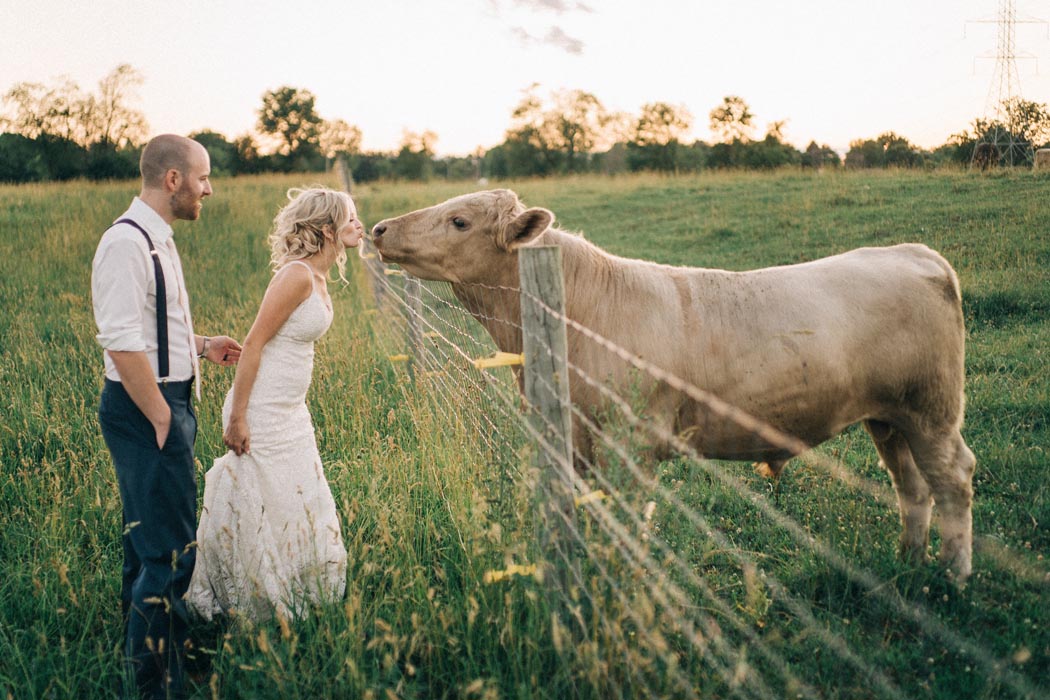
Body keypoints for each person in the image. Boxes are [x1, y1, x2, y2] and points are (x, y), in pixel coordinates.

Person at [92, 134, 242, 699]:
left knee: (145, 540)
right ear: (173, 180)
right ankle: (161, 684)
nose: (209, 188)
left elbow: (153, 326)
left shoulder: (159, 238)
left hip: (165, 399)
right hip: (146, 408)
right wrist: (161, 417)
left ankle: (141, 648)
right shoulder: (126, 243)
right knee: (171, 552)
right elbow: (122, 343)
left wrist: (200, 346)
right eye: (202, 177)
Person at [187, 187, 362, 623]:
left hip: (291, 408)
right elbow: (254, 343)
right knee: (262, 494)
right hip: (262, 408)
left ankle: (298, 586)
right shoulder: (297, 276)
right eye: (351, 219)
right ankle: (252, 598)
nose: (359, 225)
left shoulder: (320, 276)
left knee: (295, 494)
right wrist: (239, 415)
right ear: (327, 230)